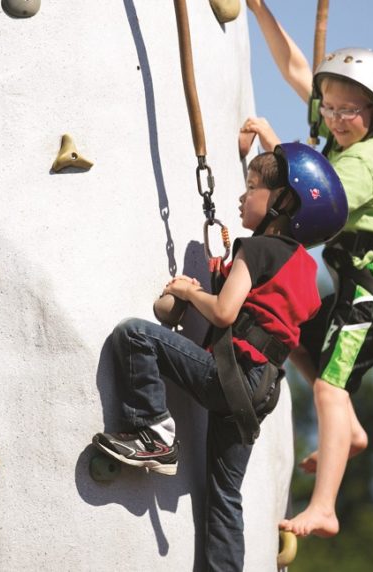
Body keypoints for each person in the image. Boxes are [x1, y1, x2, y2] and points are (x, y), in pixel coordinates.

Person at [92, 142, 348, 571]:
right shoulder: (302, 267)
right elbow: (262, 309)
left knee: (134, 335)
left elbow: (226, 311)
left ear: (284, 202)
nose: (241, 197)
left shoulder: (257, 249)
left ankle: (152, 432)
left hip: (232, 377)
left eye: (252, 188)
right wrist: (219, 276)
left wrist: (192, 292)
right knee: (225, 497)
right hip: (260, 391)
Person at [244, 0, 373, 539]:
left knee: (329, 389)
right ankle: (352, 430)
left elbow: (315, 205)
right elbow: (298, 67)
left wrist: (276, 149)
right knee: (295, 336)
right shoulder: (344, 133)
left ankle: (325, 508)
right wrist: (260, 10)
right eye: (330, 107)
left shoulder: (368, 161)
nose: (336, 120)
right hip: (353, 278)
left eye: (349, 111)